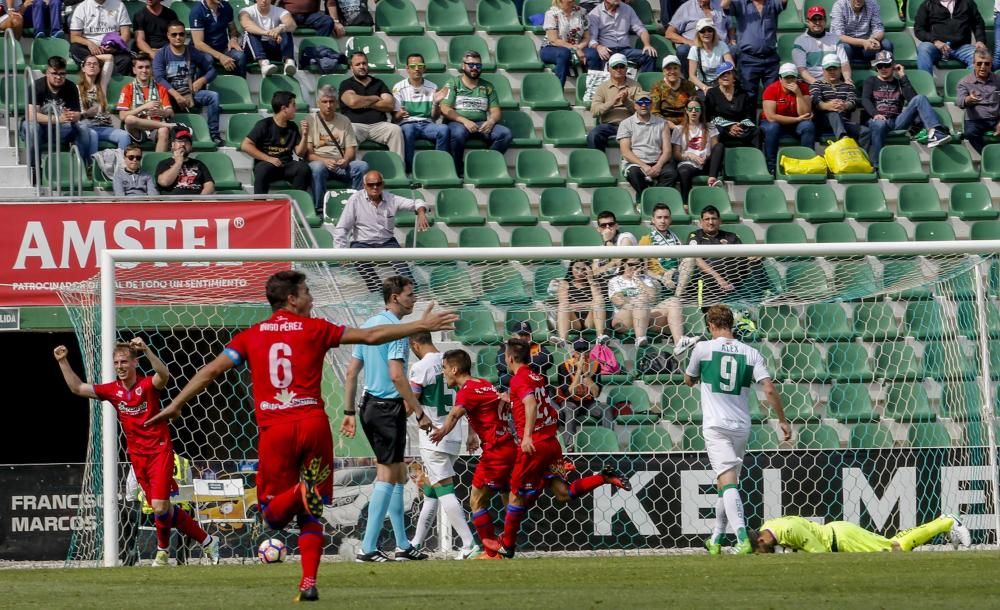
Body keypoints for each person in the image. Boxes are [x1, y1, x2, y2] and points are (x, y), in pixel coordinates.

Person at [144, 270, 457, 599]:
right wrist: (421, 326)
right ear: (292, 299)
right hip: (313, 426)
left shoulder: (252, 335)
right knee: (313, 513)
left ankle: (298, 497)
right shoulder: (317, 329)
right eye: (307, 292)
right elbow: (371, 336)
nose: (313, 298)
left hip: (276, 429)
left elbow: (210, 371)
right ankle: (308, 582)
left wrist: (177, 404)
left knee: (271, 514)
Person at [55, 338, 220, 567]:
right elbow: (77, 388)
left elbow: (164, 376)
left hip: (160, 451)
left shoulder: (147, 385)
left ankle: (162, 552)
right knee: (160, 507)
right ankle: (208, 540)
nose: (120, 366)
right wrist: (63, 361)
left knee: (160, 506)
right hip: (137, 456)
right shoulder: (112, 391)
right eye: (116, 362)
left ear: (135, 363)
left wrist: (148, 350)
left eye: (124, 361)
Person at [482, 338, 631, 559]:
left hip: (534, 445)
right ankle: (604, 478)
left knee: (514, 496)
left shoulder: (519, 380)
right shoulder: (537, 377)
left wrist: (526, 436)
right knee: (562, 493)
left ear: (509, 357)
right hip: (551, 443)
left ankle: (508, 545)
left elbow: (531, 404)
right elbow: (543, 406)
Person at [340, 276, 444, 563]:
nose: (414, 299)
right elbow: (397, 375)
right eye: (411, 294)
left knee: (397, 474)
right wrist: (420, 412)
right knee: (387, 475)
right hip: (387, 408)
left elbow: (351, 373)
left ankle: (402, 544)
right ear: (395, 297)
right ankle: (368, 548)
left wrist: (349, 412)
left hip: (369, 406)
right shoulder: (396, 331)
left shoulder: (368, 325)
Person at [684, 304, 790, 555]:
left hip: (716, 426)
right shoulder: (750, 352)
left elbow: (688, 381)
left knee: (727, 483)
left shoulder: (702, 348)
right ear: (731, 324)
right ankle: (716, 539)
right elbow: (769, 388)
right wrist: (782, 420)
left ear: (710, 325)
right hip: (742, 426)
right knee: (726, 485)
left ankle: (743, 539)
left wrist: (684, 356)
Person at [430, 348, 518, 560]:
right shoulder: (482, 384)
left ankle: (492, 551)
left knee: (476, 501)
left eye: (444, 369)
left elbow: (455, 413)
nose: (443, 373)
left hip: (495, 451)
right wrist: (472, 435)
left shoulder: (466, 391)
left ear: (454, 368)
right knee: (509, 499)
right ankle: (507, 545)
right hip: (508, 447)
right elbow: (477, 410)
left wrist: (441, 432)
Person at [405, 332, 480, 559]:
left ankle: (469, 543)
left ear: (414, 344)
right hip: (453, 435)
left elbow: (410, 406)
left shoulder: (421, 368)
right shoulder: (451, 362)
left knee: (444, 490)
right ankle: (416, 544)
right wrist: (471, 433)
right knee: (431, 492)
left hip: (433, 437)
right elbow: (469, 399)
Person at [332, 171, 426, 293]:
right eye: (371, 184)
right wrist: (340, 251)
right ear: (364, 185)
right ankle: (377, 291)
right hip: (362, 242)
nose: (375, 187)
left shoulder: (392, 198)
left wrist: (422, 212)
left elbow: (417, 202)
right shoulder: (355, 200)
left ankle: (412, 294)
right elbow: (342, 227)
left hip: (387, 242)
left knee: (404, 272)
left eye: (378, 183)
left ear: (383, 184)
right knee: (357, 257)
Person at [862, 51, 951, 169]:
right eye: (879, 66)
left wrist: (903, 77)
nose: (883, 68)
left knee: (920, 98)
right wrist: (875, 114)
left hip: (897, 120)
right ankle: (877, 165)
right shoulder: (871, 80)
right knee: (879, 125)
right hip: (876, 119)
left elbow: (912, 99)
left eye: (887, 65)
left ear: (893, 65)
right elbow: (865, 99)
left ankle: (935, 132)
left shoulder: (899, 83)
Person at [439, 51, 513, 177]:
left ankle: (483, 166)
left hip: (480, 124)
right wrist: (464, 121)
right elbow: (445, 108)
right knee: (457, 134)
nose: (474, 68)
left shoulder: (487, 86)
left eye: (478, 65)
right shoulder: (453, 83)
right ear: (463, 66)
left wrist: (491, 121)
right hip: (458, 123)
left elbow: (495, 111)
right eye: (471, 65)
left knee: (505, 134)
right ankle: (457, 171)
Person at [680, 205, 769, 305]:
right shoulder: (696, 236)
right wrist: (718, 277)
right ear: (701, 222)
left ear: (720, 221)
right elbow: (695, 258)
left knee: (757, 261)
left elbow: (742, 255)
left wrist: (755, 255)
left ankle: (765, 296)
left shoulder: (731, 236)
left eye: (714, 219)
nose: (710, 222)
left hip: (734, 276)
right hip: (709, 278)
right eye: (707, 219)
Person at [153, 21, 224, 148]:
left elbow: (212, 70)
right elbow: (159, 78)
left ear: (185, 35)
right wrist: (176, 95)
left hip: (190, 93)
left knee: (213, 96)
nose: (178, 37)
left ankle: (214, 134)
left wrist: (201, 80)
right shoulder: (161, 54)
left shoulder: (192, 52)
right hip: (168, 96)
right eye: (174, 35)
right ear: (168, 36)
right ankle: (166, 137)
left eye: (181, 34)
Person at [750, 514, 971, 554]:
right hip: (840, 533)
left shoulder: (790, 531)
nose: (763, 555)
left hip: (843, 539)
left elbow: (819, 556)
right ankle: (943, 524)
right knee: (893, 544)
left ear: (762, 540)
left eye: (760, 551)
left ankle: (947, 521)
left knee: (896, 548)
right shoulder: (770, 525)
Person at [642, 204, 700, 354]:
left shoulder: (676, 239)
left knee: (690, 258)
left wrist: (673, 273)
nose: (662, 221)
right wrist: (662, 277)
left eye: (666, 217)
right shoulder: (646, 240)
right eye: (659, 217)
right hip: (656, 281)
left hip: (675, 281)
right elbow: (642, 269)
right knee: (652, 285)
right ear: (652, 220)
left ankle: (677, 297)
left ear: (670, 220)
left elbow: (681, 263)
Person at [305, 85, 369, 209]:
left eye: (331, 102)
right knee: (318, 168)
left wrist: (345, 160)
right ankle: (320, 208)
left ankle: (357, 206)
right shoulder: (310, 120)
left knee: (362, 166)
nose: (328, 105)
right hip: (320, 162)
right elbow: (308, 154)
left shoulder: (344, 120)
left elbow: (351, 148)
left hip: (340, 164)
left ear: (336, 103)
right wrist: (324, 161)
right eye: (324, 102)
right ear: (318, 103)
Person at [22, 57, 94, 164]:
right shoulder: (36, 86)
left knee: (84, 128)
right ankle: (34, 168)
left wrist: (73, 115)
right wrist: (57, 119)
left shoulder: (70, 87)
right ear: (47, 72)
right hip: (40, 128)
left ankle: (80, 167)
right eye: (54, 73)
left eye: (62, 74)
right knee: (33, 128)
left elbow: (76, 113)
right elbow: (31, 115)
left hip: (61, 129)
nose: (58, 77)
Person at [242, 90, 310, 197]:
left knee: (302, 168)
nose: (296, 108)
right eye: (293, 105)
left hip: (286, 165)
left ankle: (297, 203)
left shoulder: (292, 126)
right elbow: (245, 145)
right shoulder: (264, 124)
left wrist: (305, 135)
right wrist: (268, 158)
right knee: (262, 169)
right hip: (268, 164)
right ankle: (260, 204)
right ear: (284, 108)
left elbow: (300, 153)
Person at [339, 52, 405, 160]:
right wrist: (375, 98)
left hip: (379, 125)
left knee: (395, 130)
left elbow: (389, 104)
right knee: (349, 131)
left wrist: (363, 102)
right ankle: (351, 170)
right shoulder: (346, 84)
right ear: (351, 67)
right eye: (358, 64)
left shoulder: (378, 83)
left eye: (364, 63)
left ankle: (400, 168)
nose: (362, 66)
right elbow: (353, 102)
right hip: (355, 125)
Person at [392, 54, 450, 175]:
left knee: (444, 129)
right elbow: (395, 119)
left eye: (420, 66)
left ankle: (439, 167)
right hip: (407, 123)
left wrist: (436, 103)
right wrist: (400, 114)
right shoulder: (399, 87)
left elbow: (434, 117)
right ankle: (409, 170)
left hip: (427, 124)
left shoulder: (432, 87)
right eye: (413, 66)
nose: (417, 69)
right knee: (408, 130)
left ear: (424, 68)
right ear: (407, 69)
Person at [618, 90, 678, 197]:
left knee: (671, 174)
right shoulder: (625, 124)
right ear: (635, 105)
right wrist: (644, 166)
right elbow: (626, 152)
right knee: (634, 174)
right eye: (640, 102)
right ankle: (646, 199)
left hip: (657, 161)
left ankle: (655, 199)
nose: (643, 105)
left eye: (647, 102)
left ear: (651, 105)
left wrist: (658, 165)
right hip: (636, 163)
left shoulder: (662, 123)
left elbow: (667, 151)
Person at [721, 0, 784, 101]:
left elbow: (784, 2)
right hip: (748, 59)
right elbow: (724, 5)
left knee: (773, 96)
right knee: (748, 97)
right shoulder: (741, 4)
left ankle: (768, 117)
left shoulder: (772, 3)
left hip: (770, 59)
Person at [760, 62, 815, 175]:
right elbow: (771, 117)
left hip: (795, 123)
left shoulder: (803, 88)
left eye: (792, 77)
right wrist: (796, 120)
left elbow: (805, 113)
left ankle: (807, 162)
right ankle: (771, 166)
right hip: (774, 122)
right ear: (780, 78)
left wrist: (798, 94)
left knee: (808, 126)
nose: (790, 81)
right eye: (786, 78)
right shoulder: (771, 89)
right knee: (773, 127)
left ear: (796, 78)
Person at [117, 52, 176, 152]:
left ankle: (158, 164)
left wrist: (163, 113)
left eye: (147, 67)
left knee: (164, 131)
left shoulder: (160, 88)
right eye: (140, 67)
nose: (144, 70)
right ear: (134, 70)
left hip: (156, 128)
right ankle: (167, 125)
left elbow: (171, 112)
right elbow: (122, 116)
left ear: (151, 69)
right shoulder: (127, 88)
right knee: (129, 119)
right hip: (137, 130)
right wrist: (144, 107)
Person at [555, 339, 609, 445]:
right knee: (570, 410)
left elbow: (596, 393)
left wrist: (585, 374)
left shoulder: (595, 366)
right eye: (579, 350)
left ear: (589, 352)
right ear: (574, 352)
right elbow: (569, 392)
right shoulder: (563, 366)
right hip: (570, 401)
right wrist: (579, 371)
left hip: (588, 402)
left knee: (606, 409)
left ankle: (608, 442)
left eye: (585, 350)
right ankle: (569, 445)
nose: (582, 353)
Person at [77, 54, 131, 158]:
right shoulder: (76, 89)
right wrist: (86, 113)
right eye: (88, 64)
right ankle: (91, 167)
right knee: (92, 135)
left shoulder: (102, 85)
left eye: (95, 64)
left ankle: (121, 166)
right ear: (83, 68)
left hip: (104, 127)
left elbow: (110, 57)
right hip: (87, 127)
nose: (92, 66)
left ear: (99, 68)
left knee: (124, 136)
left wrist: (92, 57)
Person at [914, 0, 987, 75]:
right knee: (924, 48)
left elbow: (978, 23)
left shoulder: (967, 2)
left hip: (961, 47)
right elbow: (919, 30)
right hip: (936, 47)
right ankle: (926, 84)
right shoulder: (927, 4)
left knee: (981, 57)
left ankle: (966, 84)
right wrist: (935, 41)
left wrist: (980, 40)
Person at [588, 53, 643, 150]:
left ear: (626, 68)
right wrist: (612, 102)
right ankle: (598, 163)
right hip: (609, 125)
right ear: (609, 69)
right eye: (615, 67)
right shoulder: (602, 87)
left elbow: (642, 111)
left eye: (621, 66)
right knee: (594, 135)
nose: (618, 69)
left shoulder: (635, 86)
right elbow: (594, 111)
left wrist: (627, 101)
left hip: (631, 124)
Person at [672, 97, 723, 200]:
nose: (694, 111)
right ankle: (686, 202)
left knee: (719, 146)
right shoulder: (679, 129)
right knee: (683, 171)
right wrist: (690, 156)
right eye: (690, 109)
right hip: (689, 163)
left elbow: (715, 148)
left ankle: (712, 178)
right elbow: (676, 154)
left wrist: (706, 157)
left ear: (701, 110)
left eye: (697, 109)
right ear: (686, 110)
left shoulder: (710, 127)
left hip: (706, 163)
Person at [587, 0, 657, 72]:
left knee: (649, 55)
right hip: (607, 51)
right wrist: (599, 47)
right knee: (597, 57)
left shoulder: (628, 9)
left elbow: (641, 29)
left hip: (625, 50)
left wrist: (647, 44)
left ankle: (643, 81)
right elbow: (592, 39)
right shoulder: (595, 13)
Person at [665, 0, 731, 76]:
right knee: (683, 50)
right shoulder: (687, 7)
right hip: (696, 46)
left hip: (719, 45)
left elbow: (730, 25)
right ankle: (688, 81)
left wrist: (733, 39)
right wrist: (688, 42)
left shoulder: (720, 5)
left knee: (735, 49)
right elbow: (669, 33)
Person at [540, 0, 598, 87]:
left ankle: (592, 90)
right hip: (552, 48)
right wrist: (575, 49)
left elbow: (587, 37)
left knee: (593, 54)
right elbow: (554, 40)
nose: (572, 1)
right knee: (563, 53)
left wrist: (578, 47)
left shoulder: (582, 12)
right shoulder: (551, 13)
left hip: (577, 46)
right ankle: (558, 91)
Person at [69, 0, 133, 76]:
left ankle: (107, 79)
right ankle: (100, 63)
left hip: (112, 49)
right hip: (90, 51)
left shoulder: (119, 5)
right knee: (74, 48)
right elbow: (74, 37)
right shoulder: (82, 7)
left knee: (126, 59)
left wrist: (115, 48)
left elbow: (126, 34)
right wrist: (89, 43)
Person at [810, 54, 863, 143]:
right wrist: (827, 106)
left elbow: (853, 101)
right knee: (833, 113)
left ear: (840, 69)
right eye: (828, 69)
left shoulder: (848, 86)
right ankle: (842, 138)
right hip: (823, 121)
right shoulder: (816, 84)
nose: (832, 71)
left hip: (843, 121)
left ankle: (861, 156)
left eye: (835, 68)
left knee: (865, 131)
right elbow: (815, 100)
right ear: (823, 70)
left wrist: (845, 105)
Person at [793, 6, 851, 85]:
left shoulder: (835, 39)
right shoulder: (800, 41)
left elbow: (844, 64)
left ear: (825, 20)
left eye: (820, 19)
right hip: (810, 83)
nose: (817, 22)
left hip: (834, 82)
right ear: (808, 21)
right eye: (814, 19)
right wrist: (819, 85)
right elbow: (802, 70)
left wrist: (847, 79)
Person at [956, 49, 1000, 153]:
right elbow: (960, 102)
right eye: (979, 63)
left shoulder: (998, 80)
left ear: (991, 64)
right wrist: (969, 99)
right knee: (970, 133)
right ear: (974, 64)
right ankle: (987, 156)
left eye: (987, 64)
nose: (983, 67)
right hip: (975, 120)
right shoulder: (964, 82)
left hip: (996, 118)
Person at [556, 260, 609, 346]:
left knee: (599, 301)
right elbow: (564, 303)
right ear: (571, 268)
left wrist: (591, 279)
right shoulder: (564, 283)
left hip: (590, 320)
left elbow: (598, 300)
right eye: (577, 268)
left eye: (584, 269)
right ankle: (562, 340)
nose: (580, 272)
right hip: (573, 320)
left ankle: (600, 337)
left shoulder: (594, 283)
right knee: (563, 306)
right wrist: (590, 304)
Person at [704, 61, 757, 147]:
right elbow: (709, 116)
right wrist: (729, 126)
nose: (725, 76)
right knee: (715, 130)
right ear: (718, 78)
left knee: (756, 131)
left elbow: (749, 116)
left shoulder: (743, 94)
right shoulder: (712, 93)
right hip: (722, 129)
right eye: (722, 74)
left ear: (734, 77)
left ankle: (754, 158)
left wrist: (740, 126)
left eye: (728, 73)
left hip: (740, 128)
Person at [239, 0, 297, 77]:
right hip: (253, 50)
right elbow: (247, 25)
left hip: (272, 47)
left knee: (285, 29)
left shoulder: (280, 11)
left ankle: (289, 63)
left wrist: (279, 29)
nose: (264, 1)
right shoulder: (246, 11)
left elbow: (292, 24)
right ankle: (263, 64)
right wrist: (269, 33)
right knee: (250, 32)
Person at [190, 0, 247, 77]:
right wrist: (221, 56)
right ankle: (201, 87)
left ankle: (240, 86)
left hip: (222, 48)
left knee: (240, 56)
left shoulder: (226, 7)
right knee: (207, 59)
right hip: (204, 51)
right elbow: (198, 44)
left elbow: (233, 30)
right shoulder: (197, 11)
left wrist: (233, 39)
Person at [609, 258, 658, 346]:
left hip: (646, 317)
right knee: (641, 299)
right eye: (631, 264)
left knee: (674, 301)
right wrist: (637, 301)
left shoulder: (645, 279)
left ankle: (679, 342)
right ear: (623, 264)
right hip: (624, 319)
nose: (634, 267)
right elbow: (618, 301)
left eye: (637, 265)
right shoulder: (615, 281)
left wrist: (637, 279)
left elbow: (653, 297)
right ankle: (640, 338)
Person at [495, 320, 555, 390]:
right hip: (512, 386)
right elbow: (501, 363)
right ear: (513, 336)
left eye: (527, 335)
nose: (524, 337)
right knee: (504, 375)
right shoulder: (507, 347)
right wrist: (530, 363)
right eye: (521, 335)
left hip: (534, 387)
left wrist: (519, 361)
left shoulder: (537, 346)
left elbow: (548, 359)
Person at [155, 127, 215, 195]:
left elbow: (209, 185)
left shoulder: (198, 164)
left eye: (186, 141)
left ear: (191, 147)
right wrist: (178, 162)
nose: (183, 144)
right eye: (180, 141)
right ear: (173, 145)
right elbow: (164, 182)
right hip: (174, 202)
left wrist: (200, 199)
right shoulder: (164, 163)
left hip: (196, 201)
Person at [687, 17, 734, 96]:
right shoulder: (694, 49)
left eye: (709, 30)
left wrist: (723, 85)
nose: (706, 33)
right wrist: (705, 88)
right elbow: (692, 76)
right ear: (698, 34)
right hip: (703, 86)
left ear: (714, 32)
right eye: (702, 31)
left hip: (721, 84)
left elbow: (730, 66)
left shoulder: (721, 45)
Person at [651, 54, 698, 129]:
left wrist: (687, 123)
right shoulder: (657, 87)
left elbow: (695, 107)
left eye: (675, 68)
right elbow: (654, 112)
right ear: (663, 71)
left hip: (687, 123)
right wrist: (667, 124)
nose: (672, 71)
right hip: (664, 124)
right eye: (668, 69)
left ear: (680, 70)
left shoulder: (689, 85)